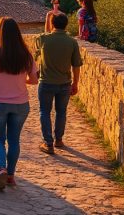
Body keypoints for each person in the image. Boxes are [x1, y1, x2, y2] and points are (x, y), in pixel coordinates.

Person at [0, 17, 38, 190]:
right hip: (20, 104)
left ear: (0, 32)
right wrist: (20, 81)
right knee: (14, 141)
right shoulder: (26, 55)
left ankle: (1, 168)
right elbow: (34, 80)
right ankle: (10, 176)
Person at [35, 13, 83, 154]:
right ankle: (59, 140)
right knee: (61, 112)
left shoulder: (43, 39)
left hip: (46, 82)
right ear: (66, 24)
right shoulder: (72, 42)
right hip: (64, 83)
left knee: (45, 112)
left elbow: (39, 46)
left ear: (52, 23)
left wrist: (47, 20)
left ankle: (48, 143)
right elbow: (76, 65)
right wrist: (75, 83)